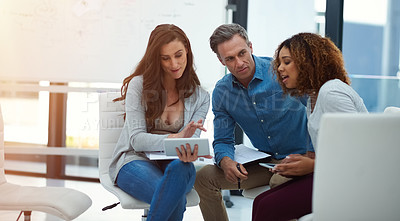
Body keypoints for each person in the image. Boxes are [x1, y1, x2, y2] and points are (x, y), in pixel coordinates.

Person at [194, 23, 313, 221]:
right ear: (220, 60)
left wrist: (312, 155)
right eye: (230, 59)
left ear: (250, 47)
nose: (239, 63)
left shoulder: (280, 72)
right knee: (203, 178)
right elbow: (223, 139)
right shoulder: (222, 92)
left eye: (242, 53)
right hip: (264, 163)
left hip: (300, 159)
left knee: (278, 182)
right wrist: (226, 161)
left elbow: (314, 109)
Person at [252, 32, 368, 221]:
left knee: (267, 206)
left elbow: (359, 152)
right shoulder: (313, 98)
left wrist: (313, 165)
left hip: (349, 181)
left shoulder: (331, 92)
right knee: (260, 202)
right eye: (279, 63)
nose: (280, 69)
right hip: (331, 174)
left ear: (308, 61)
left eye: (287, 62)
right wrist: (303, 161)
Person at [109, 24, 210, 221]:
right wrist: (176, 137)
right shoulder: (139, 86)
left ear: (187, 50)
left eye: (179, 55)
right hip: (134, 159)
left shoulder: (201, 97)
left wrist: (188, 146)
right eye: (166, 58)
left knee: (179, 170)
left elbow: (189, 144)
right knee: (175, 199)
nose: (174, 63)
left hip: (177, 165)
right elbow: (137, 140)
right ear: (156, 59)